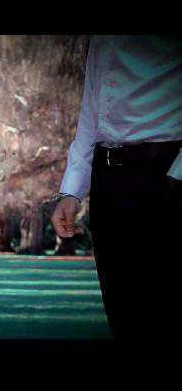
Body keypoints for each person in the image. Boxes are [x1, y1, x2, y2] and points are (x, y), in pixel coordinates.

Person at [51, 36, 182, 341]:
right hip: (109, 180)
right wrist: (72, 190)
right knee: (124, 315)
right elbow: (91, 108)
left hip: (167, 170)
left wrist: (178, 175)